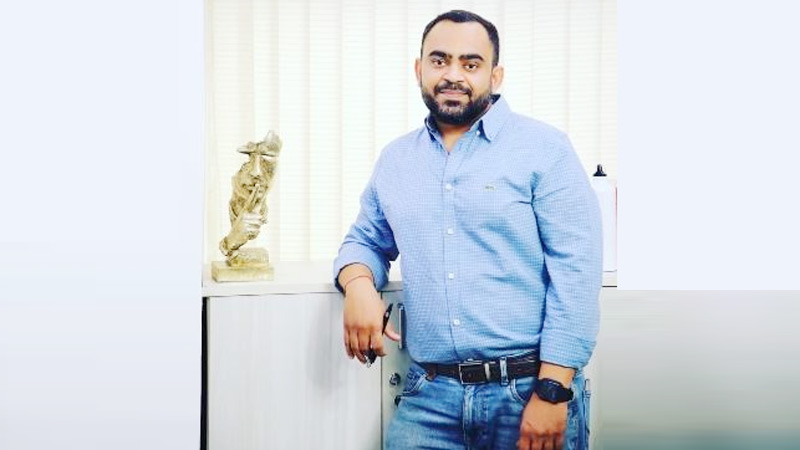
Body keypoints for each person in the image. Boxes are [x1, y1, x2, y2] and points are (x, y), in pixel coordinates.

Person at [333, 10, 601, 450]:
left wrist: (553, 390)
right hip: (429, 397)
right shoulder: (396, 160)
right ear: (419, 69)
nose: (453, 75)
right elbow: (364, 240)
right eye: (439, 60)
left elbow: (576, 271)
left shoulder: (545, 149)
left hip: (528, 392)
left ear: (495, 76)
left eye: (470, 63)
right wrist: (359, 284)